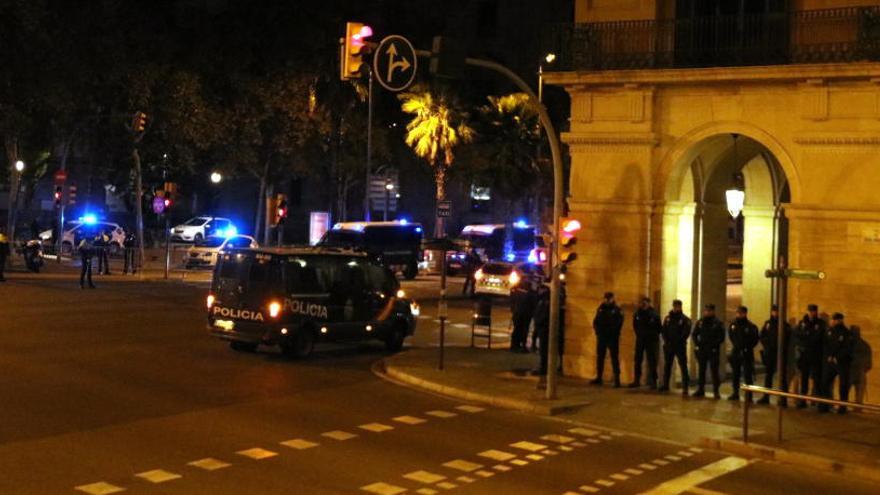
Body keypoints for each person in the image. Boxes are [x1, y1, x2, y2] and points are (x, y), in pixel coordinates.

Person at [819, 313, 855, 414]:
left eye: (834, 320)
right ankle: (824, 405)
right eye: (832, 320)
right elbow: (825, 345)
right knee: (825, 383)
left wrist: (837, 357)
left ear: (840, 321)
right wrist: (829, 356)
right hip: (830, 362)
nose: (832, 321)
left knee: (843, 385)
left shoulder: (847, 333)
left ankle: (842, 407)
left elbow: (848, 349)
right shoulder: (829, 331)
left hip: (842, 363)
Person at [758, 304, 792, 405]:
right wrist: (767, 345)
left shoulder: (785, 325)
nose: (775, 313)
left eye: (777, 311)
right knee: (768, 375)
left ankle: (783, 399)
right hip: (770, 353)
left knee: (782, 376)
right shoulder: (768, 323)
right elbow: (762, 335)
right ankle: (766, 396)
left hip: (780, 354)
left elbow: (787, 340)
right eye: (774, 311)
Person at [794, 304, 826, 408]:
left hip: (815, 354)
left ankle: (819, 402)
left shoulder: (820, 323)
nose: (812, 313)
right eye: (810, 311)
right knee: (804, 378)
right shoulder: (802, 322)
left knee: (817, 379)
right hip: (804, 355)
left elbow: (817, 337)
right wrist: (808, 334)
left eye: (814, 311)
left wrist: (806, 335)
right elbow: (797, 334)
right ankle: (803, 400)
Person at [692, 304, 726, 399]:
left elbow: (721, 337)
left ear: (713, 311)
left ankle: (716, 391)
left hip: (713, 350)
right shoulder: (700, 322)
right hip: (702, 350)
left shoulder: (718, 323)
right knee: (701, 371)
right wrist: (698, 344)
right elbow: (694, 334)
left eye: (708, 311)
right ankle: (700, 390)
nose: (706, 312)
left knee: (714, 371)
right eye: (705, 310)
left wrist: (714, 344)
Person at [727, 306, 759, 401]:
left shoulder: (751, 326)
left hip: (747, 352)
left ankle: (749, 396)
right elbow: (731, 336)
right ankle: (735, 393)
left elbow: (755, 339)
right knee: (735, 374)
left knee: (747, 375)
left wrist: (746, 347)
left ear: (745, 314)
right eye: (737, 313)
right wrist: (737, 346)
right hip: (736, 352)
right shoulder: (733, 325)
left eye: (740, 313)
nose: (738, 314)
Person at [591, 291, 623, 387]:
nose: (607, 300)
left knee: (614, 358)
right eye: (606, 298)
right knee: (600, 357)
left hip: (612, 337)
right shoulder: (601, 308)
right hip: (602, 336)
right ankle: (599, 377)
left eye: (609, 298)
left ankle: (617, 380)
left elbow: (619, 323)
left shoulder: (617, 310)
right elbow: (595, 321)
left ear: (613, 299)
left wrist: (611, 332)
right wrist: (598, 331)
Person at [660, 299, 691, 396]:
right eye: (674, 306)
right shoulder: (668, 318)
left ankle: (685, 387)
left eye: (677, 306)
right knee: (667, 365)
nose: (676, 308)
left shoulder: (685, 319)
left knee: (683, 366)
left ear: (680, 307)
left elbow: (686, 333)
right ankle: (665, 385)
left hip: (680, 346)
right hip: (669, 346)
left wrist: (678, 341)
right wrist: (667, 341)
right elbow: (664, 330)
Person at [630, 297, 661, 389]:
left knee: (652, 361)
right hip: (640, 339)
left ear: (649, 303)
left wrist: (651, 335)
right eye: (642, 303)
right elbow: (635, 325)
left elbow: (658, 328)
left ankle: (653, 382)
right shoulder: (637, 314)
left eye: (645, 303)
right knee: (638, 360)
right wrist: (639, 334)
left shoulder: (654, 315)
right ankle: (636, 380)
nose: (643, 304)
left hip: (650, 340)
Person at [509, 278, 536, 353]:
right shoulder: (530, 294)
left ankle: (514, 345)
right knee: (524, 330)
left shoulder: (516, 291)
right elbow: (533, 304)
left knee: (517, 329)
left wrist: (513, 310)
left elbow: (512, 301)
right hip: (525, 315)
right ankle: (522, 345)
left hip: (517, 313)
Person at [850, 326, 872, 409]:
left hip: (850, 372)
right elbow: (869, 364)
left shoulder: (848, 345)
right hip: (861, 373)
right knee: (859, 397)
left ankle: (843, 408)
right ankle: (857, 409)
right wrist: (863, 370)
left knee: (844, 393)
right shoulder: (866, 345)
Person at [533, 283, 551, 385]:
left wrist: (539, 323)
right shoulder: (542, 300)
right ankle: (543, 367)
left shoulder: (546, 301)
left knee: (544, 350)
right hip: (542, 328)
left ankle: (544, 368)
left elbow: (543, 315)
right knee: (543, 350)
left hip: (544, 329)